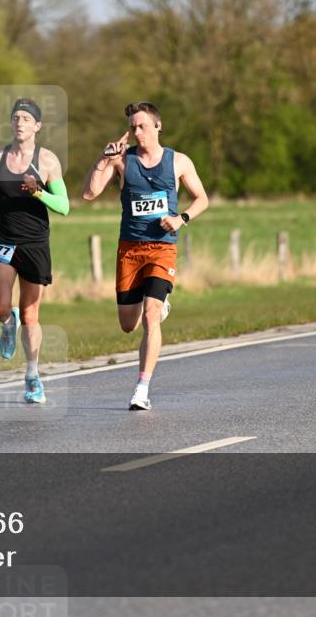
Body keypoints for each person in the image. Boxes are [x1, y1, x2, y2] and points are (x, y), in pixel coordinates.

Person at [81, 101, 209, 411]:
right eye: (133, 127)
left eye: (142, 126)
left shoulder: (178, 161)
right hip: (130, 249)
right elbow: (89, 193)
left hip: (162, 247)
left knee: (151, 316)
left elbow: (202, 198)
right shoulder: (122, 161)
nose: (137, 132)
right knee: (128, 324)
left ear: (157, 126)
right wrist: (104, 158)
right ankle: (157, 302)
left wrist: (181, 219)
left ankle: (142, 388)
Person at [0, 98, 69, 404]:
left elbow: (64, 207)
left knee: (31, 315)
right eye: (16, 117)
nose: (20, 122)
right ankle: (5, 321)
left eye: (27, 118)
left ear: (37, 126)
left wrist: (38, 191)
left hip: (35, 243)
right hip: (3, 238)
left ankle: (32, 377)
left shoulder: (48, 161)